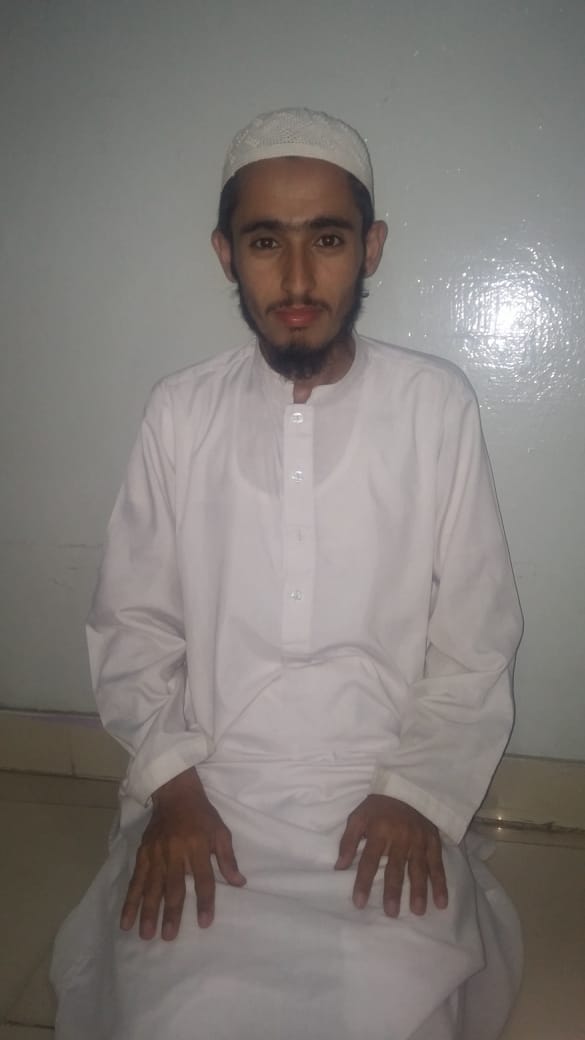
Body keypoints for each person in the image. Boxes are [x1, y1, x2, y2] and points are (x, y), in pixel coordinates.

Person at [51, 108, 524, 1040]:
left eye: (328, 240)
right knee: (173, 1010)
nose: (298, 279)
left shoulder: (433, 406)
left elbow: (475, 637)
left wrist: (414, 795)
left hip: (381, 781)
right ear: (226, 254)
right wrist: (173, 791)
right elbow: (131, 625)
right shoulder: (181, 412)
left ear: (370, 248)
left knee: (392, 1005)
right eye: (267, 241)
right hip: (213, 782)